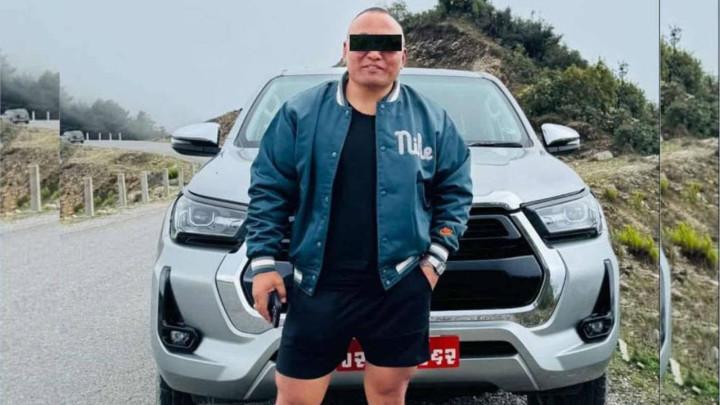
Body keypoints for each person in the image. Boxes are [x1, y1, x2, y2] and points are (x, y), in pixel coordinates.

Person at [244, 7, 473, 405]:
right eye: (363, 43)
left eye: (387, 46)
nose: (374, 54)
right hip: (317, 285)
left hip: (399, 285)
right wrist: (263, 264)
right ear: (345, 50)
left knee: (388, 393)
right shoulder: (300, 113)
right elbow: (269, 189)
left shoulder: (432, 121)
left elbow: (455, 192)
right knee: (295, 396)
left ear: (403, 55)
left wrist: (433, 263)